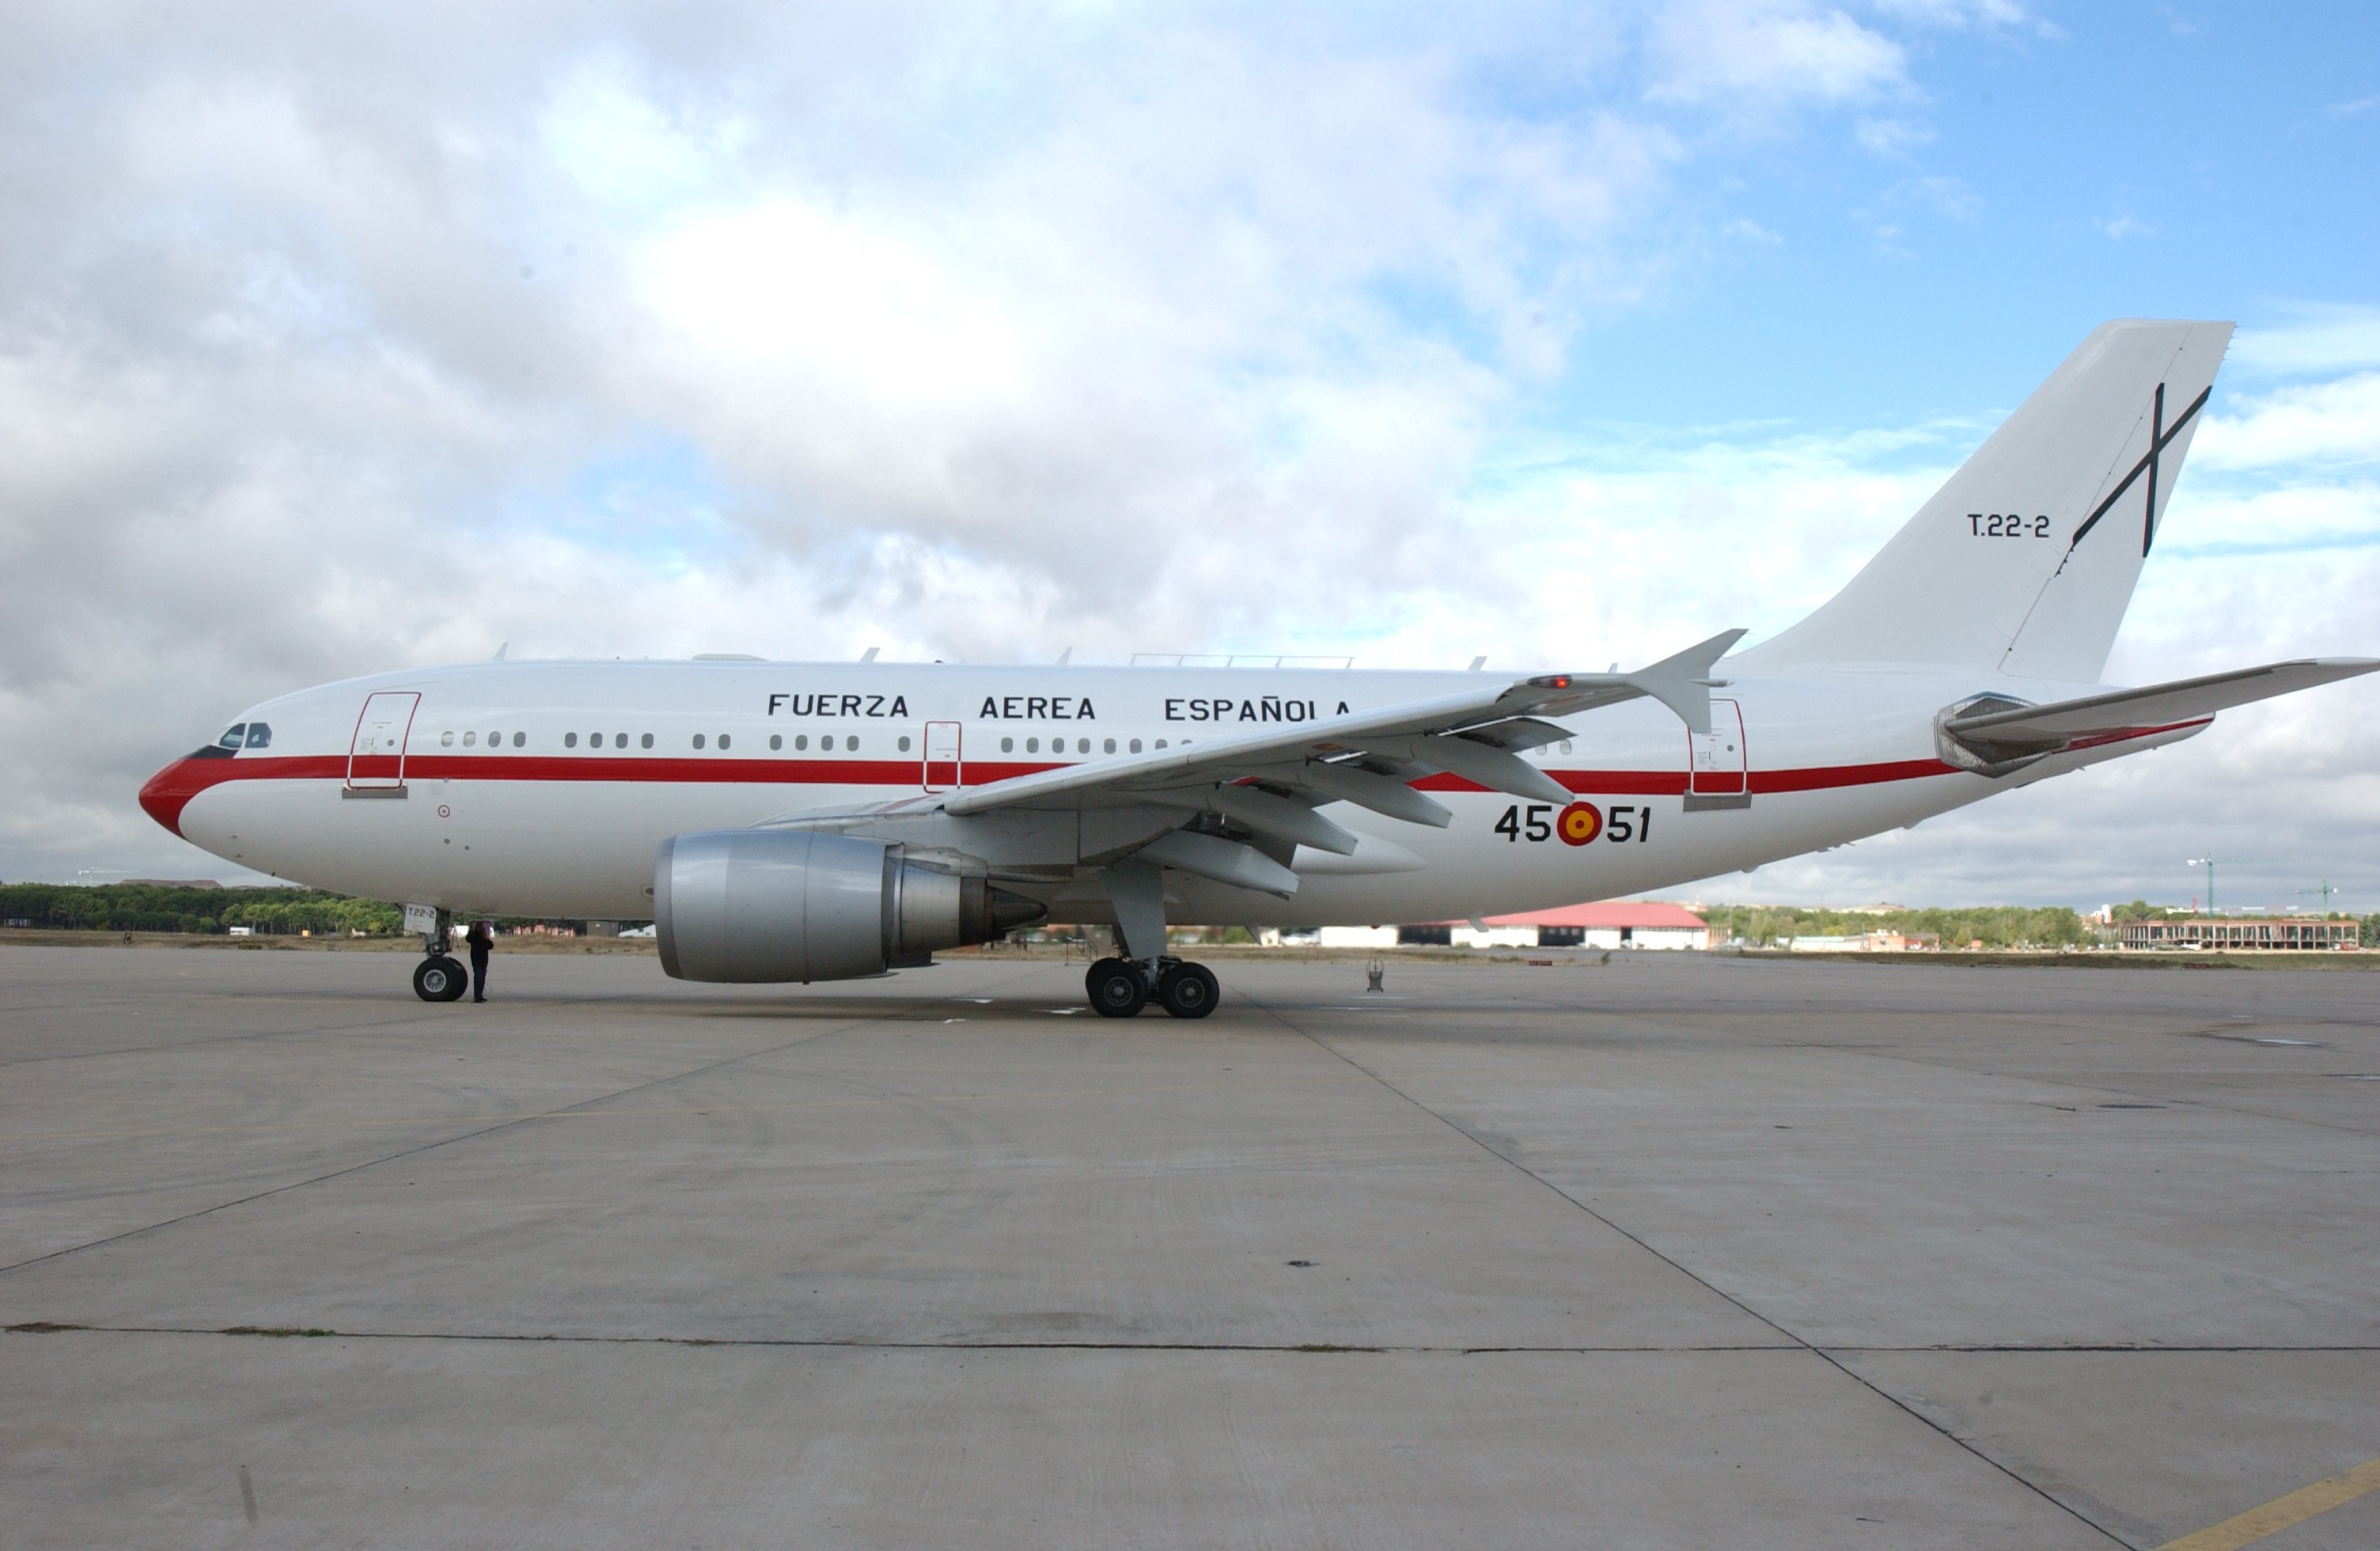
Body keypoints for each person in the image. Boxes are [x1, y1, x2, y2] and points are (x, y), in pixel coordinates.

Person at [465, 918, 494, 1003]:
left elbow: (491, 946)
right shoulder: (474, 936)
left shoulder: (483, 937)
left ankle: (480, 996)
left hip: (483, 962)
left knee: (482, 980)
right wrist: (471, 930)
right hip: (476, 961)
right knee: (478, 979)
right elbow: (468, 939)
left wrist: (486, 938)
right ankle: (477, 997)